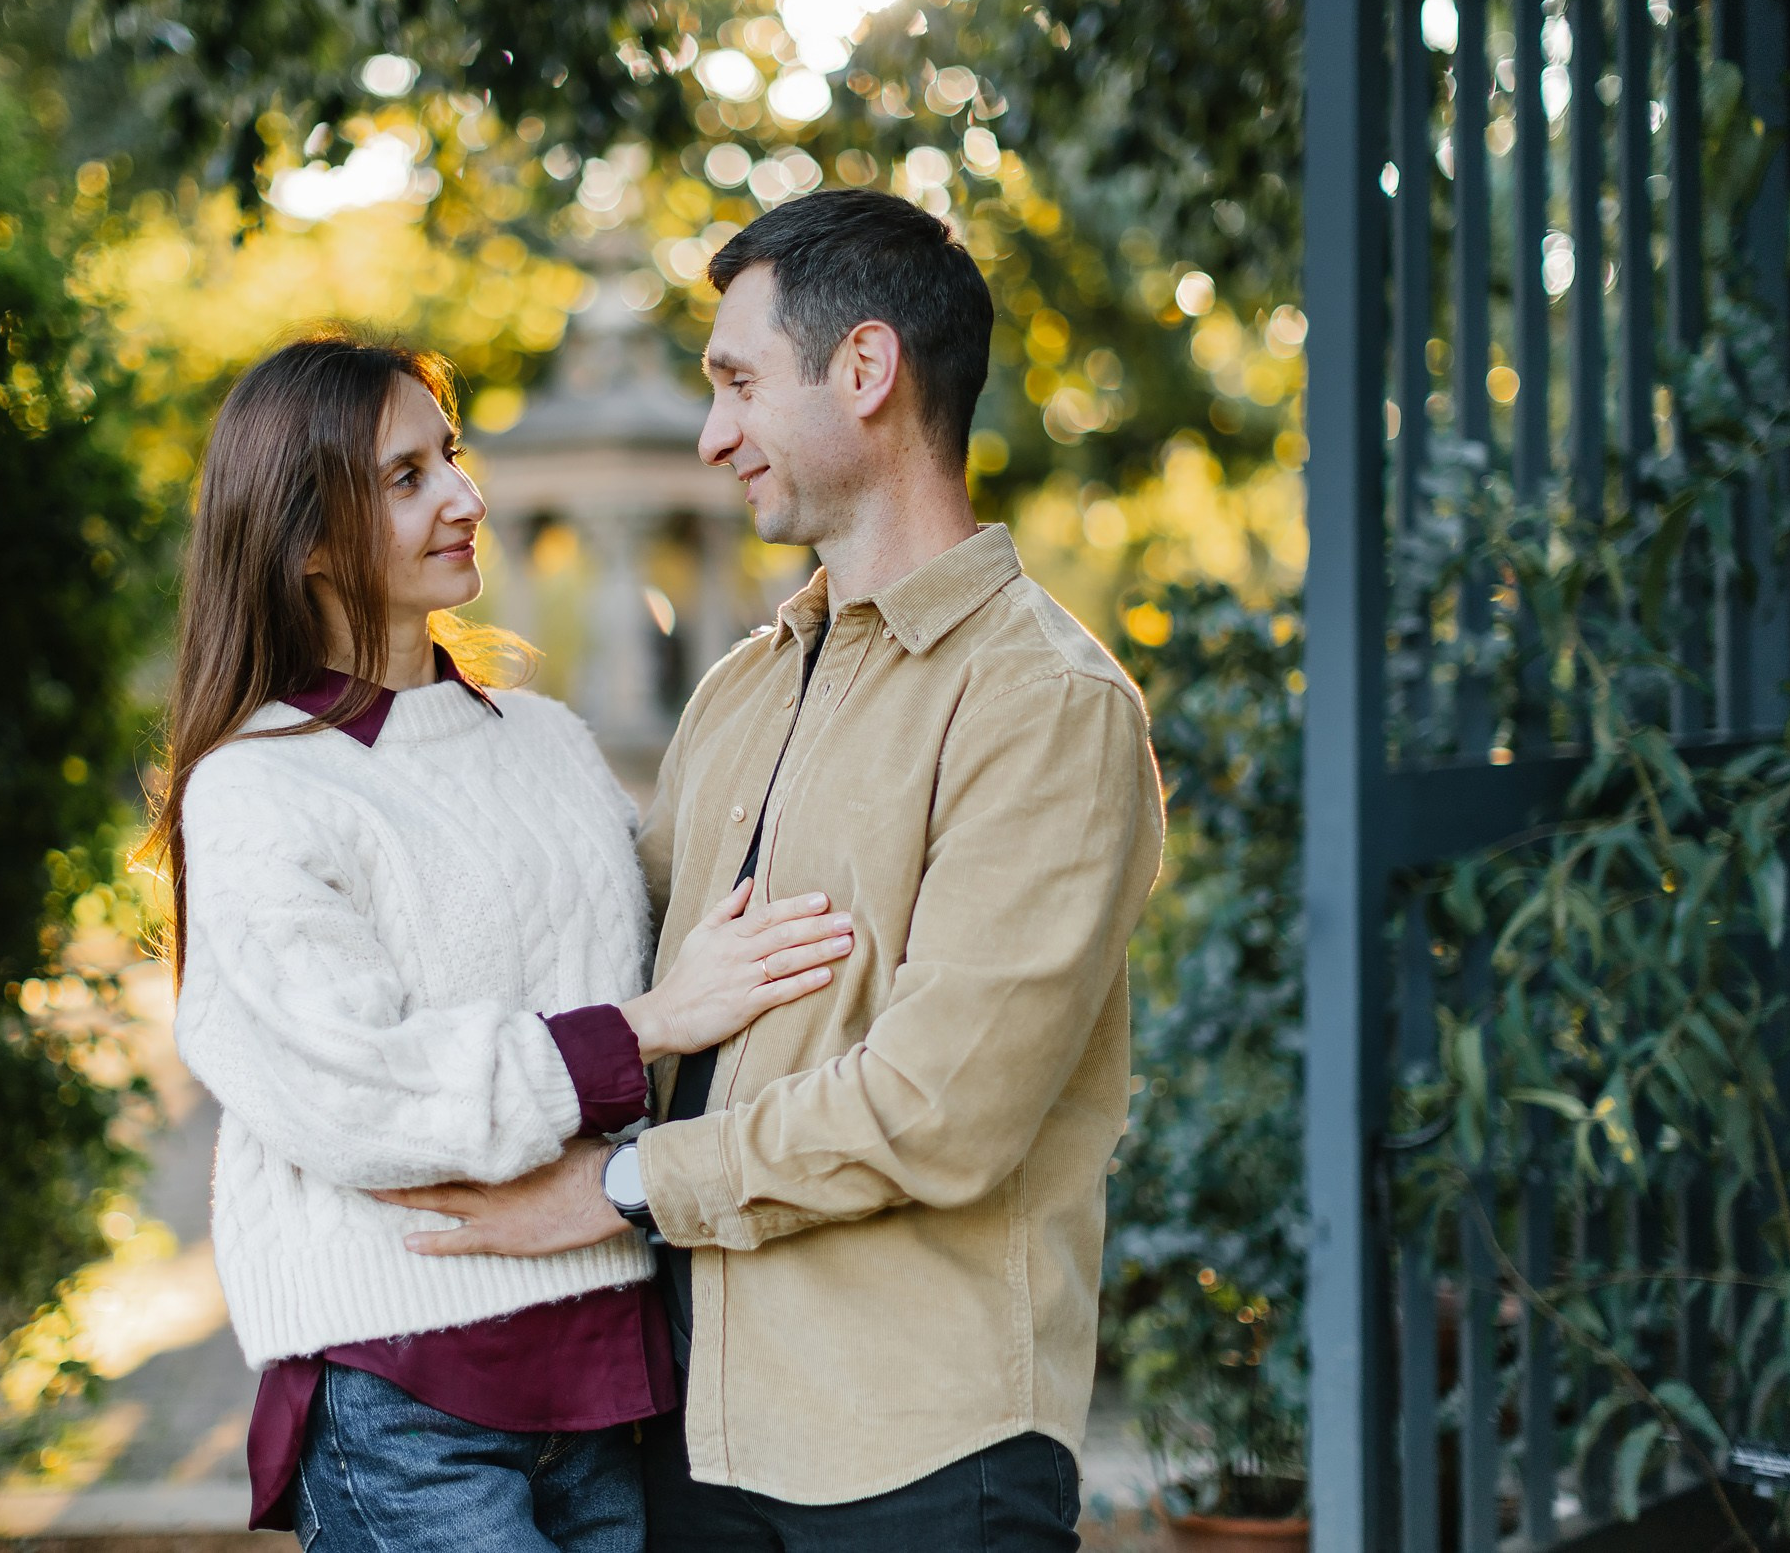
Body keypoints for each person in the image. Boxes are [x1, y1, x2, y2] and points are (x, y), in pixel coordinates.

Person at [383, 188, 1167, 1552]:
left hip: (921, 1461)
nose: (711, 433)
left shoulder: (1043, 702)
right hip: (694, 1444)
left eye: (738, 380)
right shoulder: (742, 691)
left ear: (865, 370)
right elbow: (622, 980)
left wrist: (625, 1183)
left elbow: (940, 1107)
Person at [148, 332, 859, 1553]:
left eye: (453, 458)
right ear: (308, 540)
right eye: (407, 478)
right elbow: (352, 1091)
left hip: (601, 1374)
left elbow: (687, 965)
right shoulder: (258, 791)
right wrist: (637, 1033)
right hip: (403, 1390)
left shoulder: (546, 744)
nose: (466, 499)